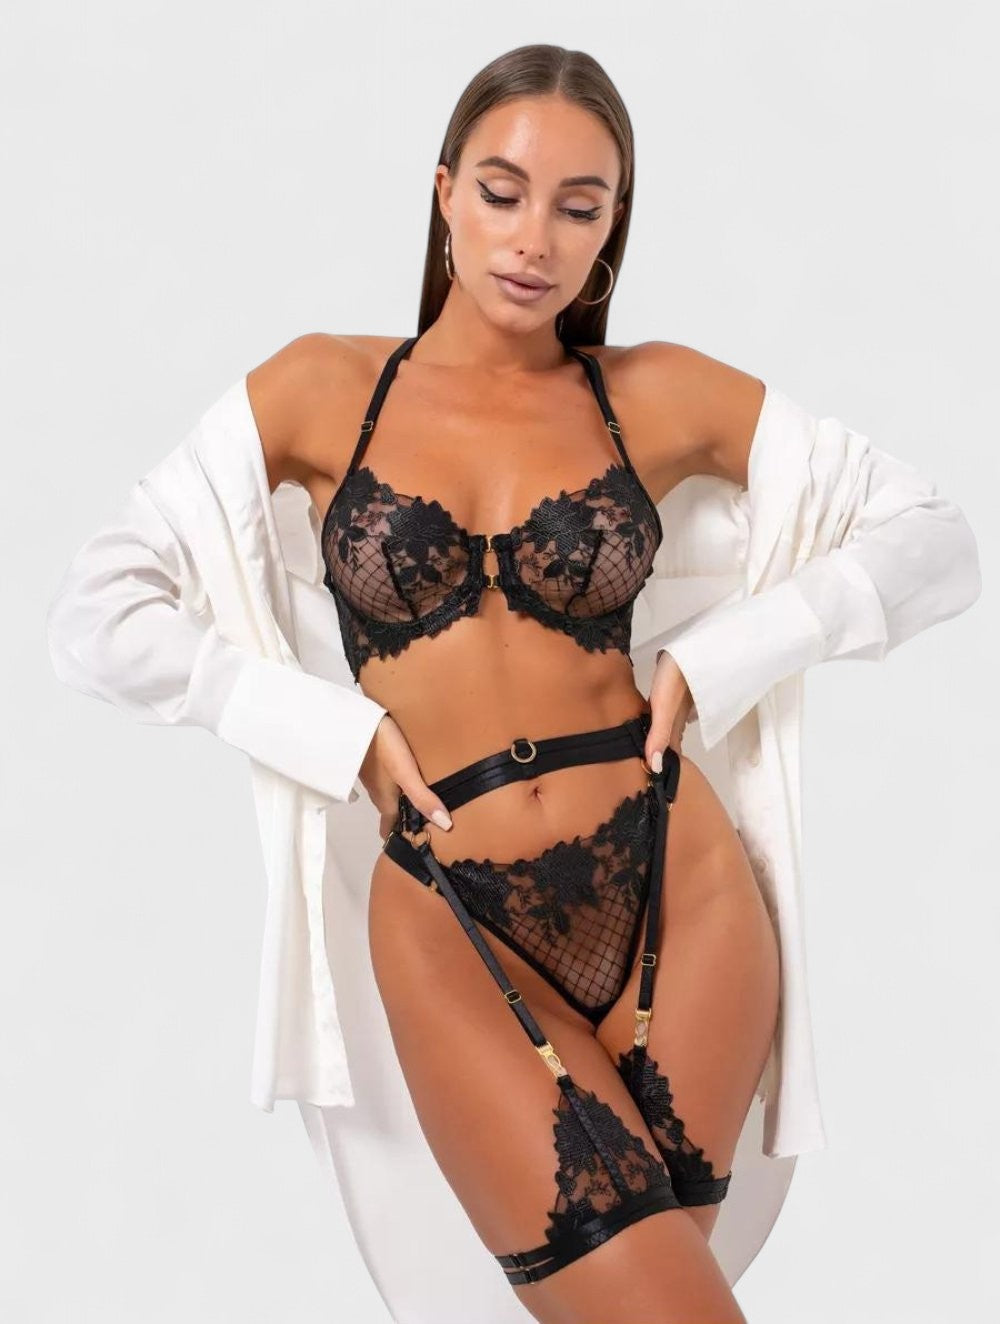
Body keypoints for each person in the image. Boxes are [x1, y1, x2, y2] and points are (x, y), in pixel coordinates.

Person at [46, 44, 981, 1324]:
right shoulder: (324, 389)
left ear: (612, 228)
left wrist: (718, 661)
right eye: (501, 192)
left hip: (676, 886)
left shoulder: (652, 394)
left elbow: (934, 538)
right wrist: (330, 730)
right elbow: (95, 611)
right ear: (443, 194)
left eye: (578, 207)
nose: (533, 238)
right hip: (447, 905)